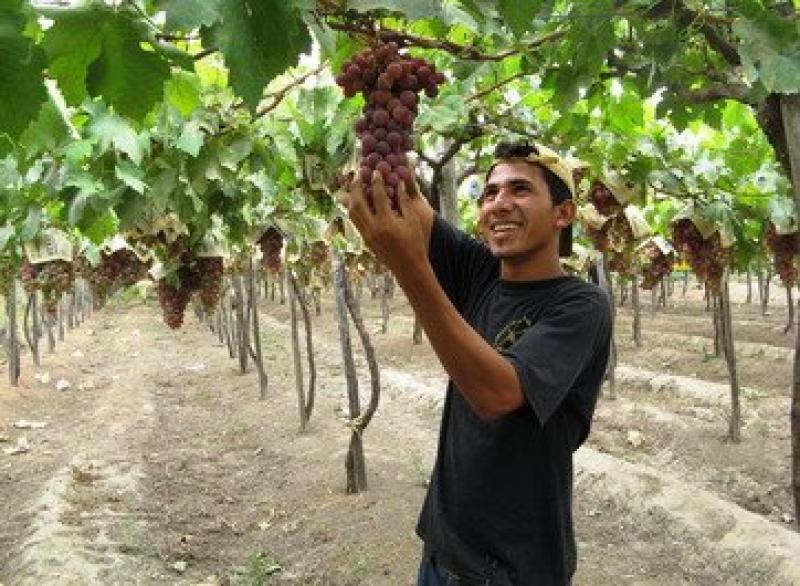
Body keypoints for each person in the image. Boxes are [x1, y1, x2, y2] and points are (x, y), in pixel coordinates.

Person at [346, 141, 612, 585]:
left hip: (511, 570)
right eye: (489, 193)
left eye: (520, 190)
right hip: (442, 549)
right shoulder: (482, 272)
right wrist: (383, 140)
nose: (499, 204)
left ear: (562, 214)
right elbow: (411, 203)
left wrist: (408, 266)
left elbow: (497, 394)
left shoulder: (582, 306)